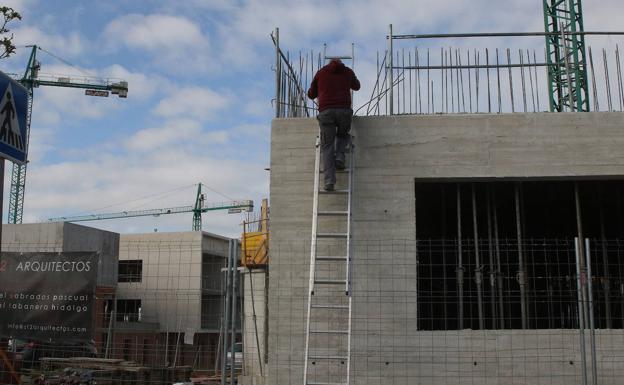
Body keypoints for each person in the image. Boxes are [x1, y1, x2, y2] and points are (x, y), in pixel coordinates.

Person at [307, 58, 360, 191]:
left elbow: (311, 94)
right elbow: (357, 86)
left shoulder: (321, 73)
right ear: (341, 63)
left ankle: (329, 182)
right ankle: (340, 157)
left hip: (326, 112)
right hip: (344, 111)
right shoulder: (347, 71)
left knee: (327, 146)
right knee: (343, 134)